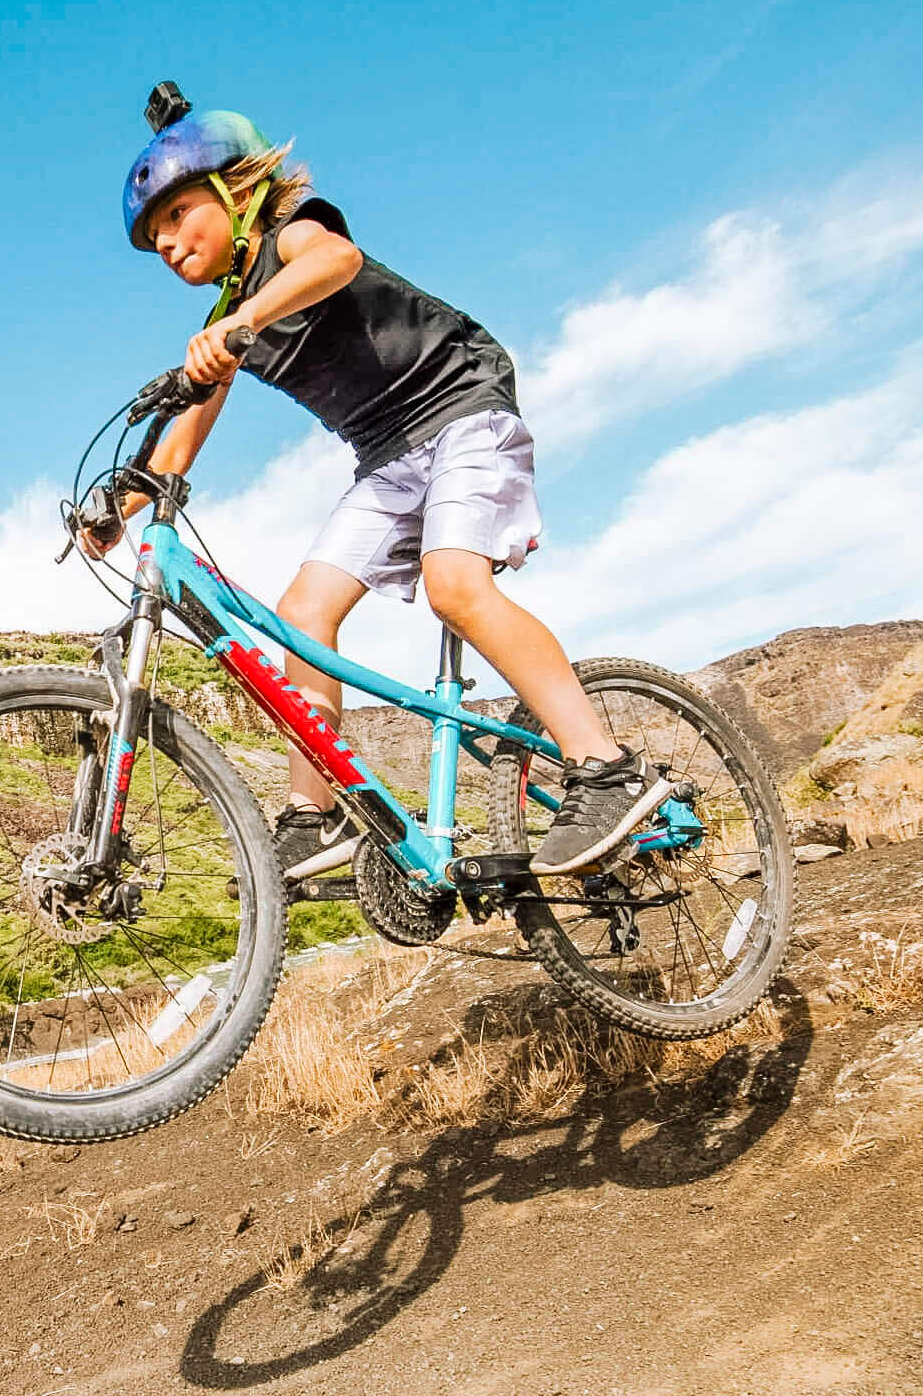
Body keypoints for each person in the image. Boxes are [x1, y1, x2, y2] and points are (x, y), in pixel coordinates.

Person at [84, 89, 664, 877]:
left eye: (178, 215)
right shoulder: (231, 318)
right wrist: (119, 503)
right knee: (301, 614)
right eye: (155, 240)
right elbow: (183, 439)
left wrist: (239, 323)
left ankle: (606, 765)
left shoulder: (292, 235)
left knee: (453, 585)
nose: (168, 244)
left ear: (239, 193)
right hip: (386, 456)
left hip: (460, 405)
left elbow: (337, 263)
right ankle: (316, 814)